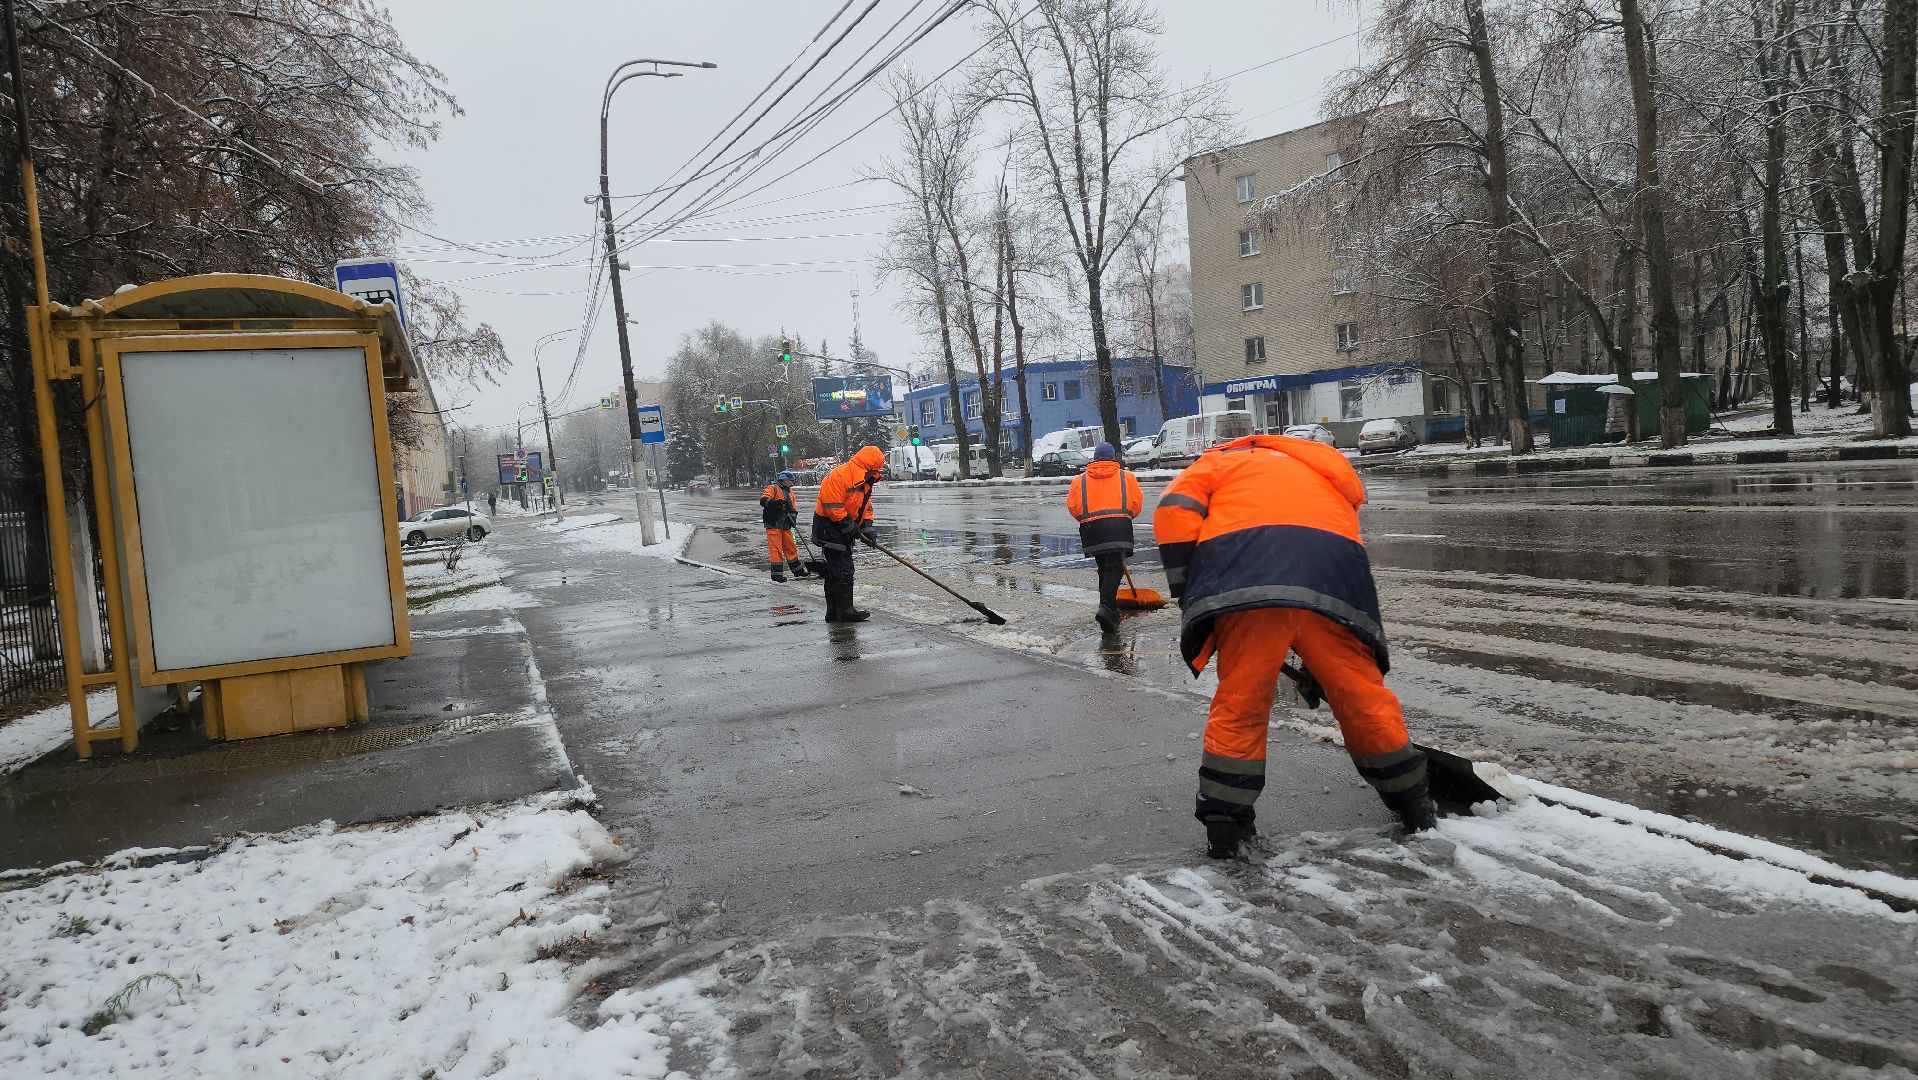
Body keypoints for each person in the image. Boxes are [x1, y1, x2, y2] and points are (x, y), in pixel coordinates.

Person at [1153, 432, 1437, 859]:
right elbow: (1339, 522)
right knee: (1360, 693)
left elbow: (1174, 511)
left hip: (1245, 584)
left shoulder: (1217, 463)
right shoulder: (1322, 468)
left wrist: (1191, 586)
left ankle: (1226, 826)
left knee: (1241, 700)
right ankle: (1414, 802)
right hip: (1333, 577)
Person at [1066, 442, 1144, 633]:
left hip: (1091, 529)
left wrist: (1088, 519)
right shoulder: (1127, 477)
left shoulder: (1080, 480)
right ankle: (1106, 608)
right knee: (1115, 569)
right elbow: (1136, 504)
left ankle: (1110, 609)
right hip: (1119, 526)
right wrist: (1124, 516)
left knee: (1104, 568)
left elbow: (1073, 506)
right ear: (1113, 457)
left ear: (1095, 458)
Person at [811, 446, 886, 623]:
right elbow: (832, 507)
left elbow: (865, 507)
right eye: (876, 470)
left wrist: (867, 527)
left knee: (834, 571)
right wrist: (849, 526)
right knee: (843, 569)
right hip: (829, 528)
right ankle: (845, 610)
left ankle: (834, 612)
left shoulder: (864, 481)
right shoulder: (840, 476)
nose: (877, 473)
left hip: (841, 527)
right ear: (868, 468)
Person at [760, 471, 811, 583]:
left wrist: (793, 518)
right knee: (776, 550)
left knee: (791, 547)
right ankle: (777, 574)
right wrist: (775, 503)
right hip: (773, 523)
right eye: (790, 481)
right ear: (784, 480)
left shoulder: (791, 493)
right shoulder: (773, 488)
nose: (791, 483)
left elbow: (793, 509)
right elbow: (763, 500)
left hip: (785, 525)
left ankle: (798, 570)